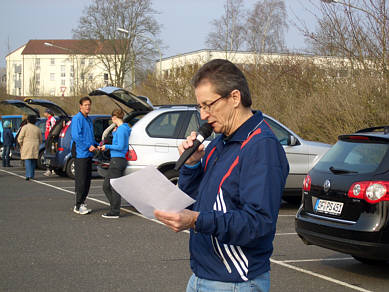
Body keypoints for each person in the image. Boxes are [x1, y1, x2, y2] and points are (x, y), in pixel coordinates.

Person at [154, 59, 289, 292]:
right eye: (200, 107)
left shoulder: (261, 147)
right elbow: (194, 202)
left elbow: (258, 223)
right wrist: (192, 166)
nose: (204, 115)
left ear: (234, 98)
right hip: (201, 276)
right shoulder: (219, 144)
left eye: (208, 105)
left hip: (235, 283)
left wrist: (196, 220)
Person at [98, 109, 131, 219]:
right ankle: (114, 208)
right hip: (117, 160)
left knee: (112, 187)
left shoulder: (122, 129)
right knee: (107, 186)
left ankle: (115, 211)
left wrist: (106, 146)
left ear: (115, 117)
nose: (112, 120)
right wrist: (114, 133)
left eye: (112, 118)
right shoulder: (124, 128)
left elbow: (121, 146)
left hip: (117, 159)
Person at [71, 96, 97, 215]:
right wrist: (88, 146)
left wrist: (96, 144)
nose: (88, 107)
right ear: (80, 106)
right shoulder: (77, 119)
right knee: (81, 180)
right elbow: (76, 136)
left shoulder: (88, 119)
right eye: (85, 105)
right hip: (81, 153)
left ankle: (83, 202)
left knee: (87, 180)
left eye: (89, 105)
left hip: (88, 153)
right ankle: (78, 205)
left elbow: (90, 136)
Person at [17, 115, 42, 180]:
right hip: (35, 145)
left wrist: (21, 144)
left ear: (28, 120)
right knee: (33, 160)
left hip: (27, 145)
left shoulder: (25, 127)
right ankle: (32, 175)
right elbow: (40, 139)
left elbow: (20, 138)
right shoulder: (37, 128)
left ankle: (28, 175)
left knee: (27, 160)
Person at [43, 109, 56, 176]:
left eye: (45, 113)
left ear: (49, 113)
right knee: (48, 153)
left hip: (50, 139)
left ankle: (51, 169)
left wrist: (51, 137)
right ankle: (51, 169)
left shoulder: (52, 119)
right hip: (47, 138)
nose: (44, 114)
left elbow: (53, 129)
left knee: (49, 153)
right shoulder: (48, 119)